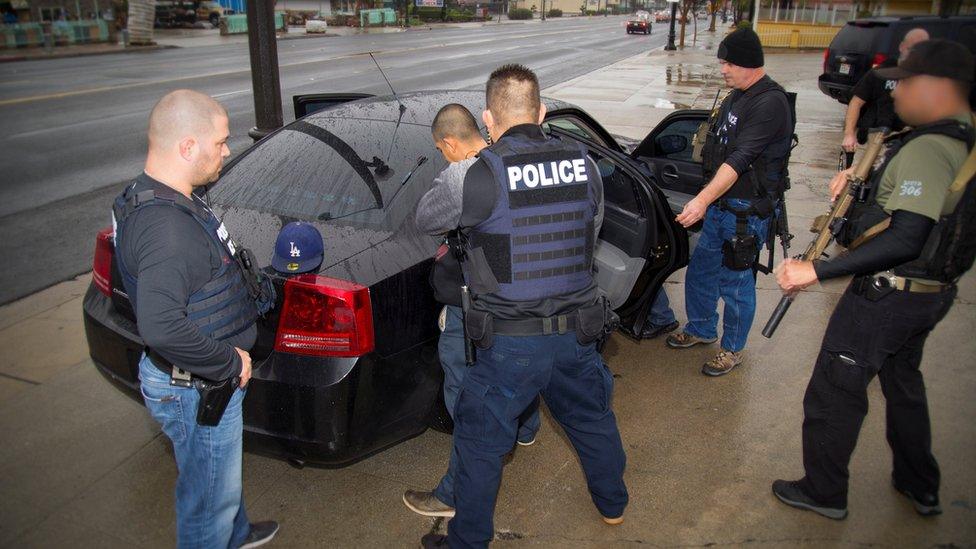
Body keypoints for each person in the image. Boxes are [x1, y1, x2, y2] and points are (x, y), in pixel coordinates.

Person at [420, 65, 628, 549]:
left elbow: (426, 219)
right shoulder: (585, 163)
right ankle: (613, 506)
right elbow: (589, 233)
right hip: (578, 333)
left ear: (489, 118)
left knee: (478, 444)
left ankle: (466, 540)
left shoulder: (475, 173)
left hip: (510, 342)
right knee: (593, 421)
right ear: (542, 112)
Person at [772, 39, 976, 520]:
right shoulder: (961, 137)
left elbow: (907, 236)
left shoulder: (930, 148)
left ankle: (823, 492)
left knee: (835, 391)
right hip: (929, 293)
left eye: (905, 82)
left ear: (939, 88)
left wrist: (816, 269)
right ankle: (919, 483)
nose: (896, 90)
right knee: (903, 385)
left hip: (888, 296)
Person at [112, 89, 279, 548]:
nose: (227, 150)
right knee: (207, 502)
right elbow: (162, 326)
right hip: (197, 385)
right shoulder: (166, 228)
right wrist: (230, 364)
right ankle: (221, 533)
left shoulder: (155, 194)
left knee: (214, 479)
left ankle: (237, 532)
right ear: (187, 147)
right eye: (221, 141)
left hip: (198, 380)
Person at [405, 103, 542, 519]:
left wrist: (449, 176)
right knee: (518, 368)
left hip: (474, 299)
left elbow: (425, 219)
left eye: (440, 149)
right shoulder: (518, 160)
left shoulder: (461, 174)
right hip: (523, 295)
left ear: (449, 142)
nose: (442, 155)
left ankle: (456, 493)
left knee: (465, 386)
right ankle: (526, 427)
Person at [665, 28, 794, 376]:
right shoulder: (737, 95)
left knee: (736, 285)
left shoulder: (770, 103)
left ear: (749, 63)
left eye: (728, 63)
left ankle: (731, 349)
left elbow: (740, 159)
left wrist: (701, 200)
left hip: (745, 213)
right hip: (722, 207)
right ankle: (701, 328)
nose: (722, 69)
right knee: (702, 272)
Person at [841, 28, 930, 154]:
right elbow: (856, 102)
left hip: (908, 141)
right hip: (873, 138)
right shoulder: (881, 72)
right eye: (911, 48)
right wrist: (849, 134)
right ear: (902, 46)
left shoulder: (930, 79)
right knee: (859, 172)